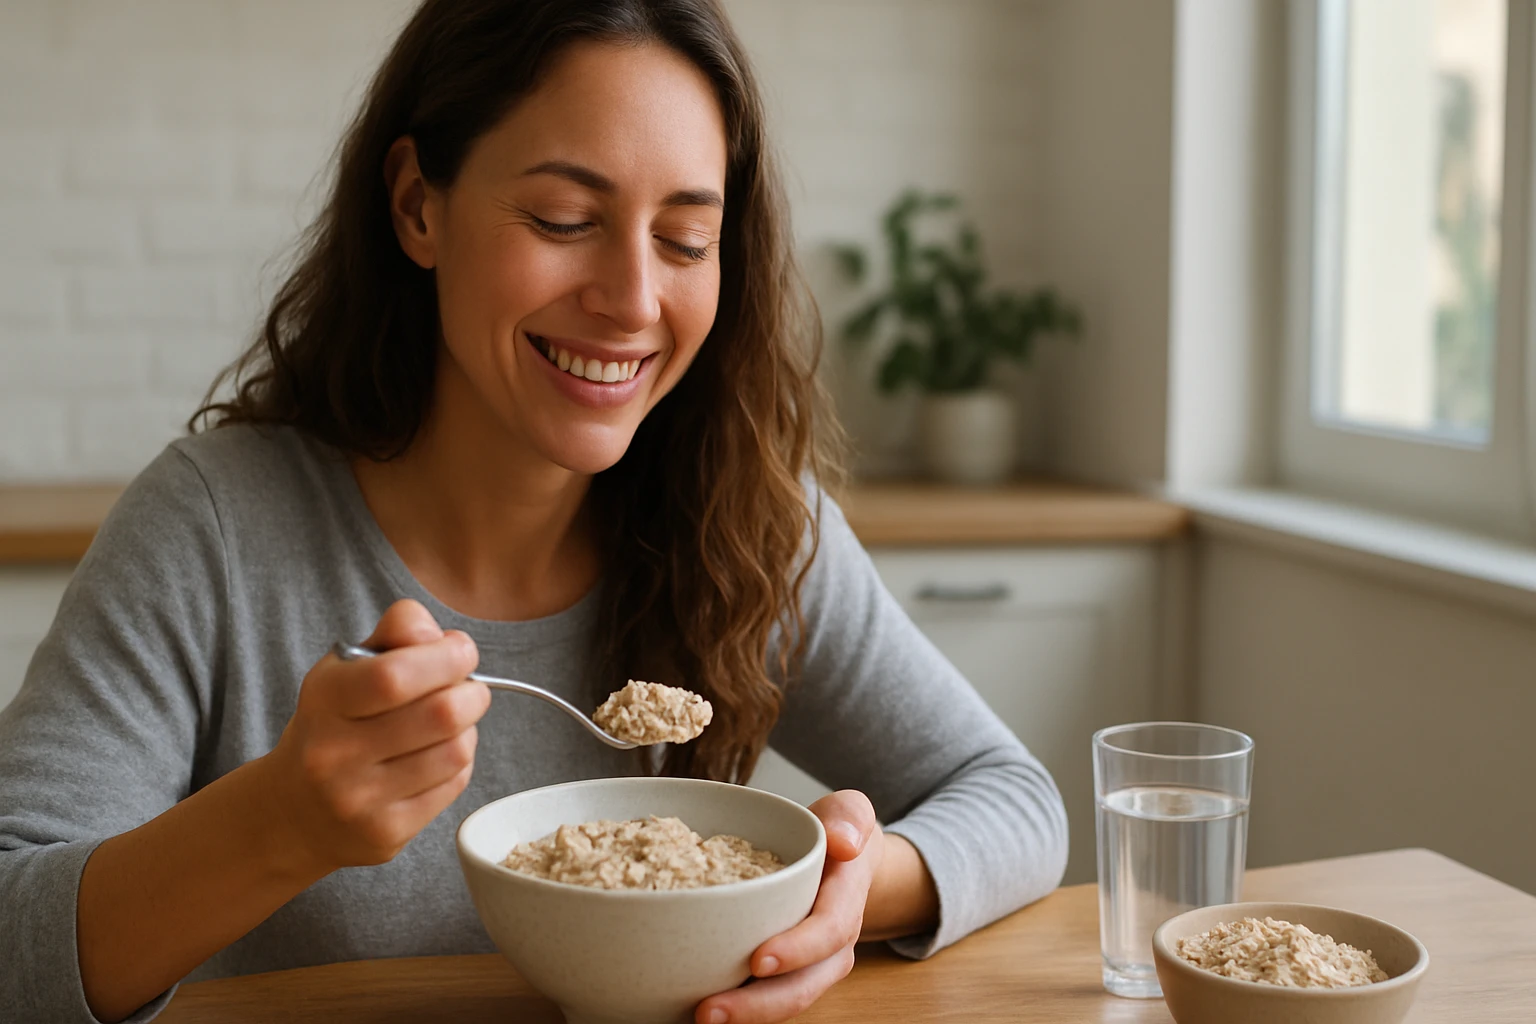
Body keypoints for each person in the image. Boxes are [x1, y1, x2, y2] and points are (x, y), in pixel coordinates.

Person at [0, 2, 1068, 1022]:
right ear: (419, 204)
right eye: (566, 219)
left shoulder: (748, 520)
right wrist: (279, 822)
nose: (635, 299)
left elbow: (1015, 799)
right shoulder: (216, 531)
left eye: (687, 240)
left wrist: (842, 892)